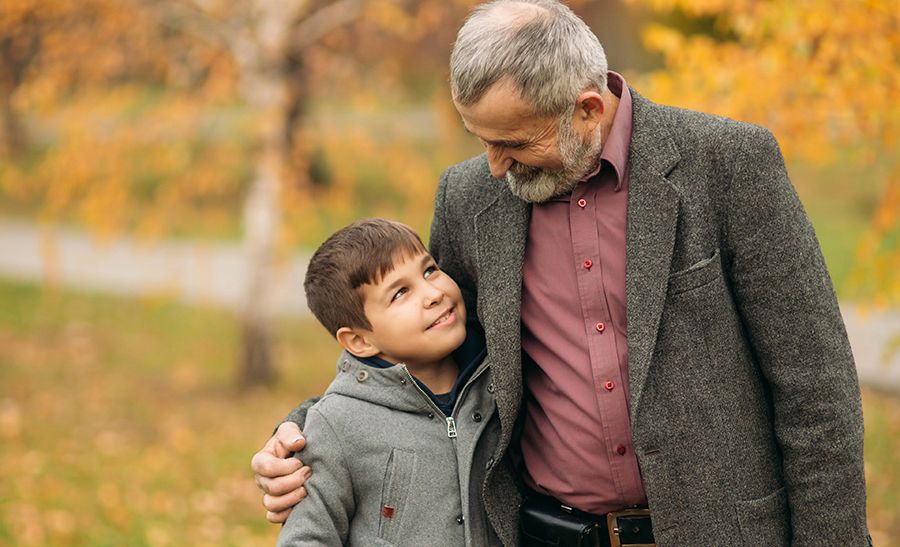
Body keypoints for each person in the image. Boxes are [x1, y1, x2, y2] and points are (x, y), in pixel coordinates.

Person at [253, 1, 872, 545]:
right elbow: (436, 352)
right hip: (547, 534)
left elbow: (816, 388)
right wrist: (310, 428)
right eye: (481, 140)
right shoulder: (467, 197)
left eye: (515, 145)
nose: (494, 167)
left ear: (587, 108)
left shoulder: (730, 163)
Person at [275, 218, 501, 546]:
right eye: (400, 293)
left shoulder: (498, 381)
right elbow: (306, 538)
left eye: (429, 270)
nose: (433, 294)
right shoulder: (338, 424)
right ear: (359, 341)